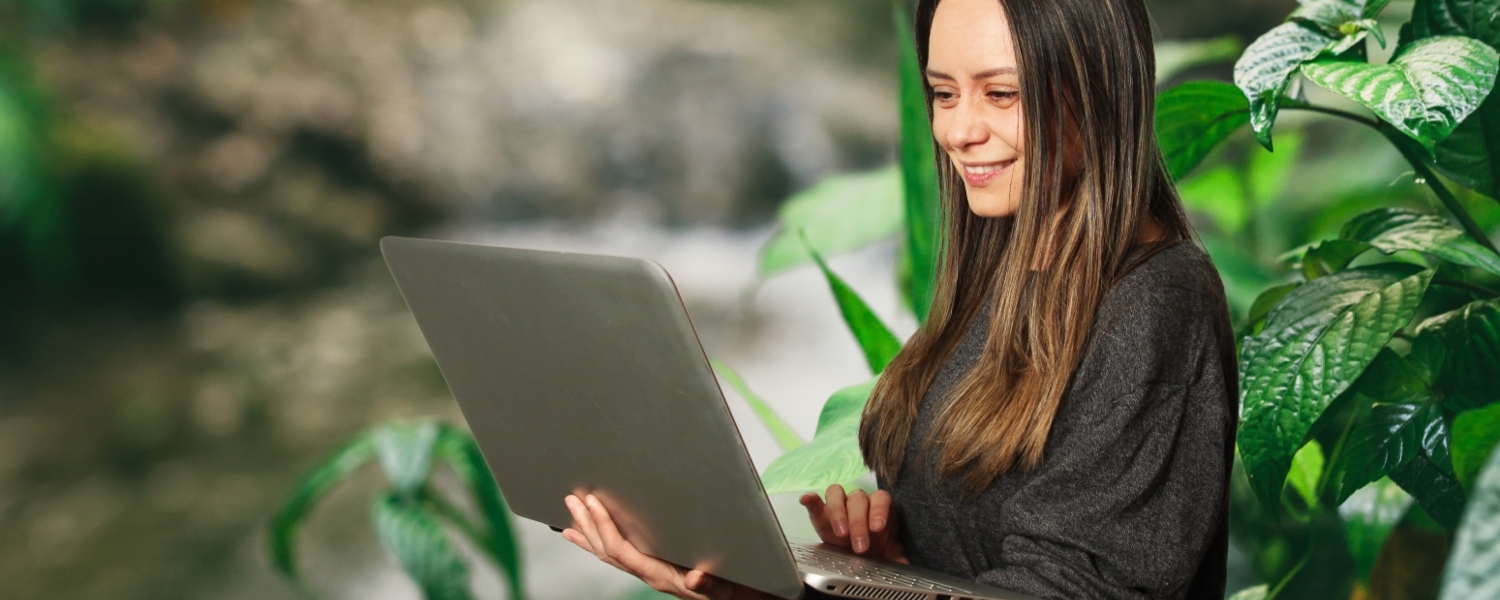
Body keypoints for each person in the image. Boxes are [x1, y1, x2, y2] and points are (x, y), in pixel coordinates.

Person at [560, 0, 1238, 597]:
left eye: (1001, 94)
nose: (958, 132)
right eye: (944, 93)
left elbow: (1073, 586)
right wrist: (891, 572)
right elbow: (978, 566)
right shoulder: (1002, 267)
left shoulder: (1154, 304)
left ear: (1101, 93)